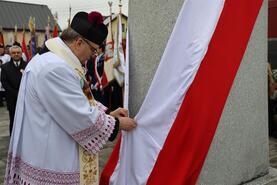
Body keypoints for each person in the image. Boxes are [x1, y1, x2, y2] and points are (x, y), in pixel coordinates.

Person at [4, 11, 136, 185]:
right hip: (52, 159)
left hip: (45, 146)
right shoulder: (54, 68)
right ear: (79, 42)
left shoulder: (55, 59)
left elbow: (79, 99)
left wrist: (109, 114)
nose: (93, 55)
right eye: (93, 50)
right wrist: (117, 125)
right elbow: (79, 114)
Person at [0, 45, 26, 134]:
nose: (16, 54)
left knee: (26, 121)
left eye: (18, 52)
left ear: (21, 53)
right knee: (13, 120)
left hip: (25, 98)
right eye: (13, 53)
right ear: (10, 54)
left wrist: (23, 93)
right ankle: (13, 139)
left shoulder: (27, 65)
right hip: (12, 99)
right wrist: (16, 93)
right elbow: (4, 82)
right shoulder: (5, 67)